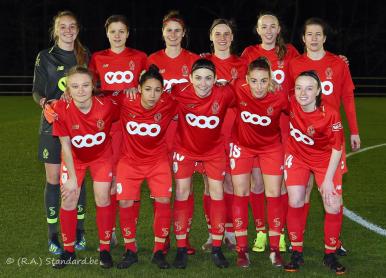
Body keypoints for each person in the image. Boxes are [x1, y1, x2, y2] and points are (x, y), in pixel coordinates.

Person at [288, 17, 360, 256]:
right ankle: (296, 241)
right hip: (301, 137)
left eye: (319, 34)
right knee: (300, 192)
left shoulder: (338, 64)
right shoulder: (294, 63)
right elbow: (285, 97)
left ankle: (333, 242)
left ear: (325, 38)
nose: (314, 38)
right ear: (303, 38)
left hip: (330, 137)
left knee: (331, 196)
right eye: (310, 34)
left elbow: (348, 98)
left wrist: (355, 131)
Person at [32, 10, 89, 255]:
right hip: (52, 126)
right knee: (54, 180)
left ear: (77, 29)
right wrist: (47, 103)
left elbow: (92, 88)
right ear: (55, 31)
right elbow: (36, 91)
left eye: (72, 26)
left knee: (79, 178)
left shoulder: (85, 55)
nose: (67, 30)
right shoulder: (45, 56)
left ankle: (79, 231)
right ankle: (53, 235)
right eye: (62, 27)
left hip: (81, 127)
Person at [88, 14, 147, 249]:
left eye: (122, 31)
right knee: (110, 179)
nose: (117, 35)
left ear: (128, 33)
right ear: (107, 33)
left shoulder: (140, 57)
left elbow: (151, 85)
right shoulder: (98, 58)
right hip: (107, 126)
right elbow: (90, 86)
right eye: (113, 31)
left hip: (132, 126)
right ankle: (110, 231)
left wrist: (138, 87)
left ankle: (128, 232)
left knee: (129, 180)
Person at [241, 12, 298, 253]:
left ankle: (279, 231)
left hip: (283, 124)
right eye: (264, 26)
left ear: (278, 29)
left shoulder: (290, 52)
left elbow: (306, 71)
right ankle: (262, 232)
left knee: (281, 185)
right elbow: (240, 80)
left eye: (272, 26)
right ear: (257, 28)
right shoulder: (249, 53)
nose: (268, 30)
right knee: (256, 183)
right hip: (257, 127)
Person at [52, 66, 118, 269]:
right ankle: (69, 250)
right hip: (75, 159)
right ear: (68, 89)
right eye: (75, 86)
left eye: (85, 85)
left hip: (102, 157)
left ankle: (105, 249)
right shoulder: (61, 109)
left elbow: (123, 120)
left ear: (93, 86)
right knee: (69, 197)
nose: (80, 90)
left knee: (103, 197)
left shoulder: (107, 105)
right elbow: (65, 145)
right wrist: (71, 178)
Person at [172, 58, 234, 269]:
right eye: (198, 78)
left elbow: (250, 94)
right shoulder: (178, 91)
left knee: (217, 192)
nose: (203, 83)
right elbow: (151, 94)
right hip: (184, 150)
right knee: (182, 192)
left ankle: (217, 247)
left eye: (208, 78)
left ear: (216, 79)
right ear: (190, 78)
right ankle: (181, 248)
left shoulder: (225, 93)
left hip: (214, 151)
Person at [284, 70, 346, 275]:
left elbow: (337, 148)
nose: (303, 93)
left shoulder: (330, 113)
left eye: (309, 88)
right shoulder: (291, 101)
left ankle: (330, 253)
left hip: (326, 160)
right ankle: (297, 251)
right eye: (299, 88)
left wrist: (327, 179)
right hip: (298, 157)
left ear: (319, 90)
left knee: (333, 204)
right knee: (295, 200)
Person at [147, 10, 199, 255]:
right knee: (161, 188)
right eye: (169, 30)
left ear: (184, 33)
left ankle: (182, 236)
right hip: (159, 132)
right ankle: (162, 236)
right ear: (162, 33)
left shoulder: (193, 60)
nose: (173, 34)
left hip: (186, 132)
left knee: (183, 189)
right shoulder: (153, 60)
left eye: (178, 30)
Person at [115, 65, 176, 269]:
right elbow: (100, 96)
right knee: (124, 203)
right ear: (139, 88)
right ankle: (130, 249)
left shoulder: (169, 102)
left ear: (163, 90)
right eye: (148, 89)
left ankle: (159, 250)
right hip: (129, 161)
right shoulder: (126, 99)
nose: (153, 94)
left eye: (157, 90)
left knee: (163, 200)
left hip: (157, 161)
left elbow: (193, 95)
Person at [230, 57, 287, 268]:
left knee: (274, 194)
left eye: (264, 81)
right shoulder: (238, 88)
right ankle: (241, 250)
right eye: (254, 81)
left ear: (271, 79)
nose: (259, 86)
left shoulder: (280, 94)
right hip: (242, 146)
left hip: (271, 147)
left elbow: (299, 111)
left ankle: (274, 250)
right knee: (241, 193)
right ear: (247, 79)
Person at [200, 18, 247, 252]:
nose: (222, 38)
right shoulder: (202, 62)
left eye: (226, 34)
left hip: (236, 131)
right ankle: (212, 233)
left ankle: (229, 231)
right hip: (208, 132)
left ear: (232, 37)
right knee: (210, 183)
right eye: (217, 33)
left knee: (230, 182)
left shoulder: (243, 63)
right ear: (210, 37)